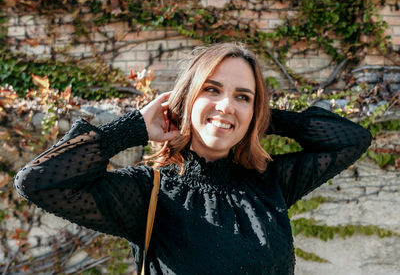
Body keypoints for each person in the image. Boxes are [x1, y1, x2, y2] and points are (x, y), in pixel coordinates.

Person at [15, 43, 372, 274]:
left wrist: (255, 117)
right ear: (185, 99)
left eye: (242, 96)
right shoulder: (147, 193)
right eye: (212, 90)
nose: (226, 104)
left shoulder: (269, 182)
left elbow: (351, 141)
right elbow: (38, 181)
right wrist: (132, 128)